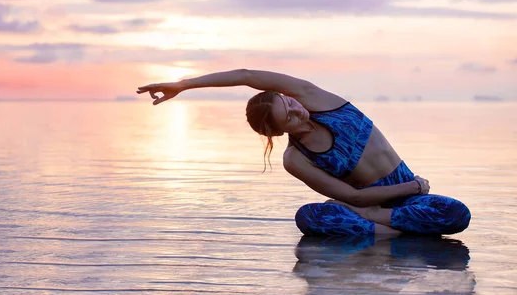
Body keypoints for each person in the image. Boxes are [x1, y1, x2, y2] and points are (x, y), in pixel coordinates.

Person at [137, 69, 471, 236]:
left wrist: (183, 84)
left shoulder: (318, 99)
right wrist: (414, 187)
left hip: (404, 199)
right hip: (377, 201)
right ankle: (393, 228)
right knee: (310, 217)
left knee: (456, 213)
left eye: (290, 103)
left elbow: (245, 75)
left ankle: (380, 231)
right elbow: (354, 199)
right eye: (289, 117)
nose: (298, 111)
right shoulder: (295, 159)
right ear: (277, 131)